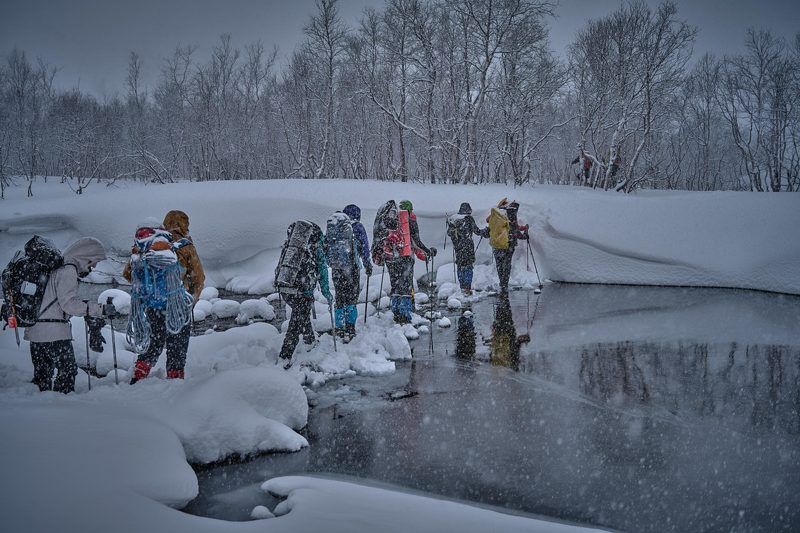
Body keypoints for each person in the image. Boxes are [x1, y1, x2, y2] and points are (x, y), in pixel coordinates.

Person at [125, 211, 203, 384]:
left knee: (153, 344)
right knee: (177, 347)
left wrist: (151, 289)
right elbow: (199, 278)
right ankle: (174, 383)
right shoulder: (185, 246)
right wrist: (190, 301)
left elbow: (127, 274)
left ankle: (138, 377)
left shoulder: (147, 246)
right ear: (184, 225)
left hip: (154, 306)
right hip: (177, 307)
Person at [24, 237, 109, 393]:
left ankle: (41, 406)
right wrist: (99, 309)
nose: (95, 265)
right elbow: (69, 305)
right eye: (94, 260)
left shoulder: (56, 267)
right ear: (85, 256)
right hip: (54, 334)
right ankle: (62, 408)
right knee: (67, 372)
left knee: (42, 376)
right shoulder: (68, 270)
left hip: (36, 331)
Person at [276, 221, 332, 367]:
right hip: (303, 290)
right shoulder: (315, 247)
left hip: (286, 288)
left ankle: (309, 340)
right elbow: (322, 271)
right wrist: (326, 292)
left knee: (300, 315)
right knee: (295, 324)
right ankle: (284, 357)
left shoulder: (290, 245)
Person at [386, 200, 435, 324]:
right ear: (410, 210)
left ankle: (396, 313)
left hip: (392, 258)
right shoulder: (410, 220)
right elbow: (416, 242)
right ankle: (406, 315)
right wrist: (428, 252)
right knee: (406, 286)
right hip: (406, 258)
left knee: (395, 285)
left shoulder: (390, 220)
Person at [487, 198, 529, 293]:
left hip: (497, 244)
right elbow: (515, 231)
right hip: (508, 244)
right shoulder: (511, 214)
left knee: (499, 264)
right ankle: (504, 284)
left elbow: (490, 223)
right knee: (506, 264)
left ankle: (502, 283)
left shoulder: (498, 214)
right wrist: (524, 235)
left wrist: (523, 228)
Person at [447, 202, 488, 295]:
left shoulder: (453, 220)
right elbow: (477, 231)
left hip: (458, 248)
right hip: (468, 247)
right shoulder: (469, 219)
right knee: (468, 266)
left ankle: (462, 286)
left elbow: (449, 233)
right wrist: (485, 232)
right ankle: (467, 288)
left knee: (460, 266)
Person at [489, 293, 529, 370]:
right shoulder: (505, 309)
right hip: (506, 329)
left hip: (503, 330)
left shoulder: (501, 309)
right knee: (512, 346)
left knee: (508, 346)